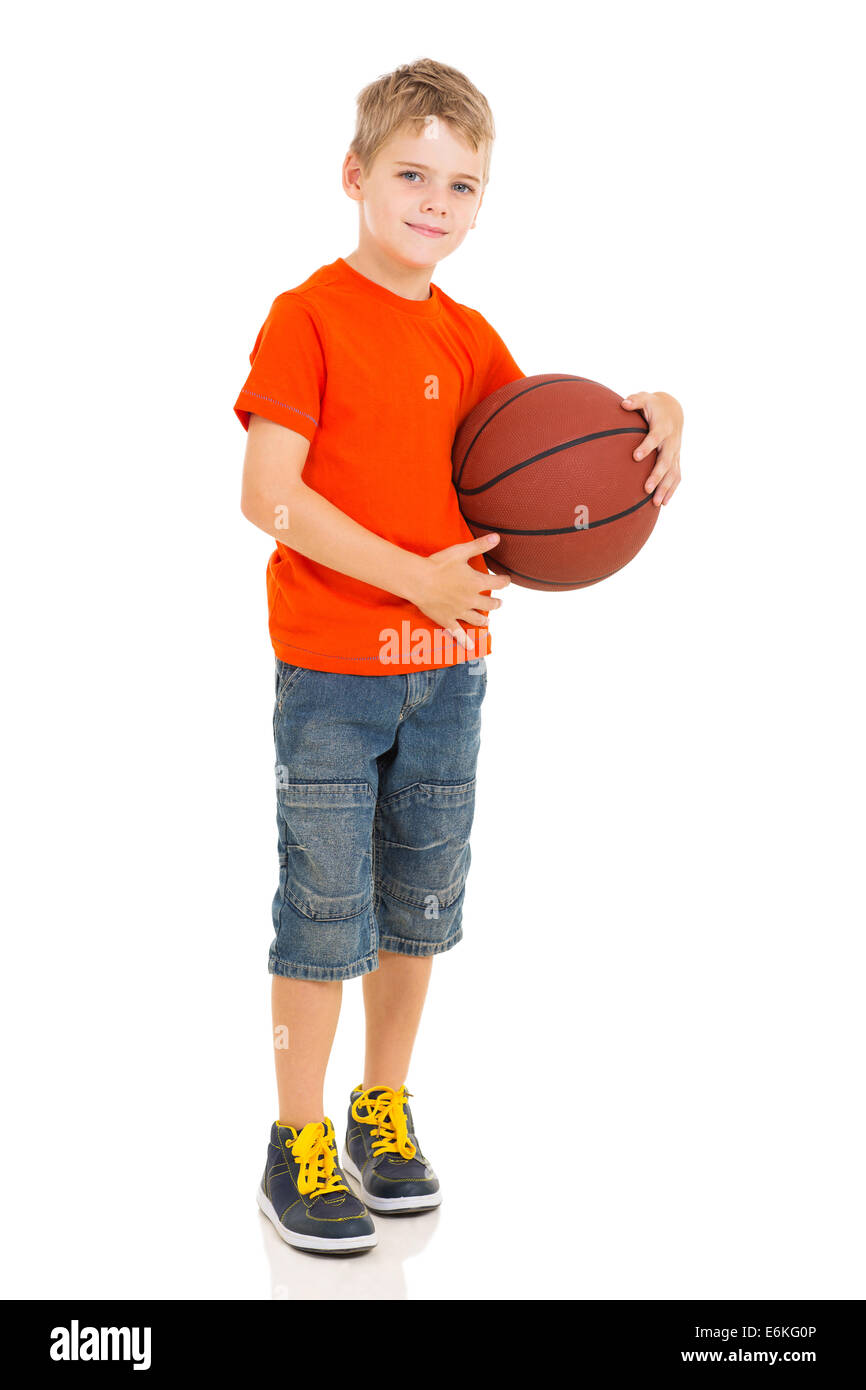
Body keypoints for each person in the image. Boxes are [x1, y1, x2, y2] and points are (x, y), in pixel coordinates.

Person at [234, 57, 684, 1254]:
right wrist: (411, 574)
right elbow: (263, 495)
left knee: (417, 908)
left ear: (481, 203)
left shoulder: (472, 337)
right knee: (323, 911)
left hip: (449, 677)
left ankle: (381, 1109)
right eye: (411, 174)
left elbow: (551, 446)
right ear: (355, 177)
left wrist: (657, 417)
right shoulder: (307, 316)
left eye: (461, 184)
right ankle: (294, 1139)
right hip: (332, 675)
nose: (435, 202)